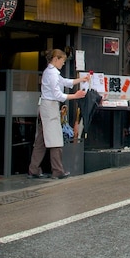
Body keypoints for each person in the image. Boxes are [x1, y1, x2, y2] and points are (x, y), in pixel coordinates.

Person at [28, 49, 90, 180]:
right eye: (62, 61)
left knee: (41, 141)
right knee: (55, 139)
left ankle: (34, 169)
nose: (63, 64)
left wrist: (81, 79)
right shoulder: (52, 74)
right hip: (50, 106)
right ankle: (57, 170)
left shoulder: (50, 72)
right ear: (56, 59)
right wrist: (75, 95)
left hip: (45, 106)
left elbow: (66, 82)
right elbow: (58, 95)